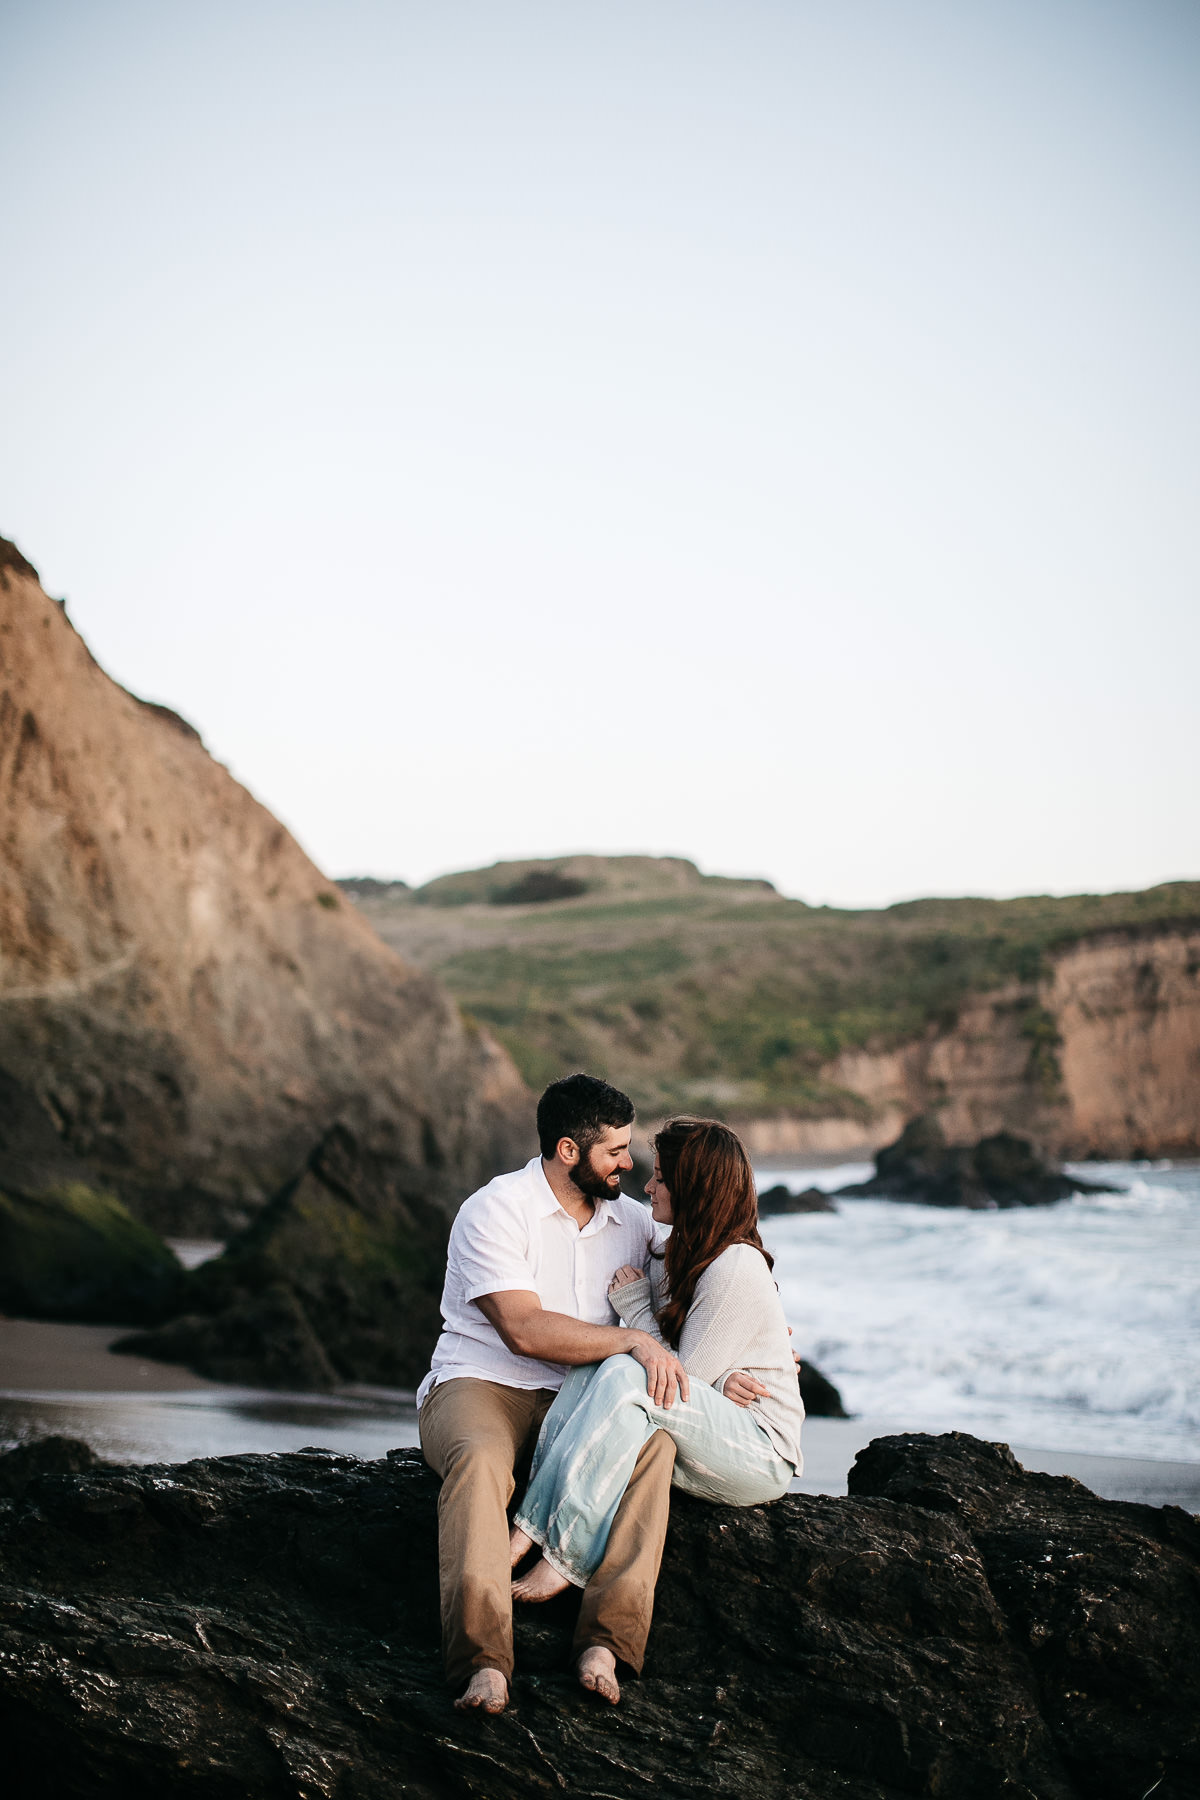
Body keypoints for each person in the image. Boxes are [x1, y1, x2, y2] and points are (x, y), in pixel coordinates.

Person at [417, 1073, 689, 1714]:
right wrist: (628, 1343)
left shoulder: (632, 1221)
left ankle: (606, 1642)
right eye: (616, 1151)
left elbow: (701, 1272)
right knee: (481, 1461)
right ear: (569, 1151)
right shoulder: (495, 1209)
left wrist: (759, 1342)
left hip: (581, 1395)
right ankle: (483, 1661)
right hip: (480, 1383)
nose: (631, 1162)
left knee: (655, 1448)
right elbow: (522, 1328)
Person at [507, 1117, 804, 1630]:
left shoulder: (734, 1265)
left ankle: (564, 1556)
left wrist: (637, 1312)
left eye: (662, 1178)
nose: (647, 1186)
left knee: (627, 1371)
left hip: (758, 1449)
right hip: (713, 1422)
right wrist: (716, 1380)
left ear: (695, 1187)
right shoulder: (675, 1253)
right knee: (598, 1364)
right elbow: (689, 1373)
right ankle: (528, 1527)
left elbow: (671, 1378)